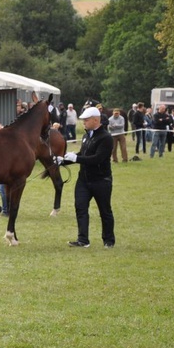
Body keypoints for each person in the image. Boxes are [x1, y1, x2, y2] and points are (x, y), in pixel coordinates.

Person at [57, 106, 115, 248]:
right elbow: (82, 154)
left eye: (86, 120)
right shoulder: (85, 136)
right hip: (84, 180)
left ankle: (108, 240)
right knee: (80, 208)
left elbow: (97, 159)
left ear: (96, 120)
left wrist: (76, 158)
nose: (83, 122)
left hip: (101, 180)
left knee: (105, 211)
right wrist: (63, 161)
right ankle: (83, 240)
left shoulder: (106, 138)